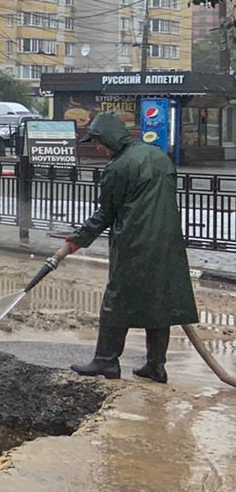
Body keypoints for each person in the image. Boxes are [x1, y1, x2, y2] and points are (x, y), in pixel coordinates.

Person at [65, 112, 197, 383]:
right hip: (167, 241)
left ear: (109, 138)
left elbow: (106, 213)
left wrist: (77, 239)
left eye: (99, 142)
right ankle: (156, 365)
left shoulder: (118, 167)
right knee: (158, 301)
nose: (98, 148)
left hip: (135, 243)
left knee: (116, 301)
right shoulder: (159, 156)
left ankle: (106, 361)